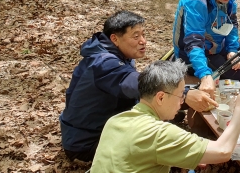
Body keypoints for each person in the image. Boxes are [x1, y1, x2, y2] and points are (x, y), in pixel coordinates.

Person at [60, 10, 215, 162]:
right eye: (135, 36)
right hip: (86, 143)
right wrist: (185, 94)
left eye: (143, 34)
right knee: (162, 144)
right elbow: (135, 84)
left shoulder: (116, 54)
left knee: (165, 108)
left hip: (103, 129)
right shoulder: (103, 62)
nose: (143, 41)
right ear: (114, 38)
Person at [90, 60, 240, 172]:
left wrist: (178, 156)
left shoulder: (115, 120)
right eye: (180, 96)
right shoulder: (160, 133)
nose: (182, 102)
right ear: (161, 97)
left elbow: (136, 156)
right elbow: (223, 151)